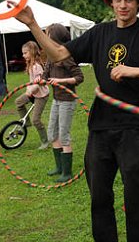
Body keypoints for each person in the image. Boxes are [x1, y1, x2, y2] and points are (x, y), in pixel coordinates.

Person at [8, 0, 139, 242]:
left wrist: (135, 71)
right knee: (99, 197)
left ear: (138, 2)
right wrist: (33, 24)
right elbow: (59, 54)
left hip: (133, 128)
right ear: (111, 2)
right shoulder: (100, 33)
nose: (123, 5)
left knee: (137, 197)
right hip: (101, 128)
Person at [41, 23, 84, 183]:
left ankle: (67, 172)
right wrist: (41, 80)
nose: (47, 40)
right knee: (52, 133)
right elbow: (45, 75)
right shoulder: (51, 57)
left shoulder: (66, 57)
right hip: (57, 100)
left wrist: (61, 80)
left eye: (49, 37)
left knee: (63, 134)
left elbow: (79, 77)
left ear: (57, 39)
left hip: (67, 100)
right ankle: (59, 167)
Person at [15, 41, 50, 150]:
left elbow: (38, 84)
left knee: (36, 120)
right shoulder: (31, 65)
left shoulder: (37, 67)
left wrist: (30, 91)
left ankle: (45, 141)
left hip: (41, 95)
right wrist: (28, 89)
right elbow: (31, 81)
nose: (23, 55)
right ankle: (26, 124)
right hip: (33, 93)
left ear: (32, 52)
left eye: (25, 53)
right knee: (19, 102)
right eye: (23, 53)